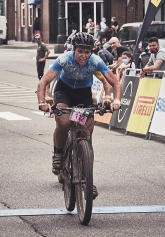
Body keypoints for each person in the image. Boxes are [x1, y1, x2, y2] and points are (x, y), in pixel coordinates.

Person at [37, 32, 122, 199]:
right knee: (63, 122)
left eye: (87, 52)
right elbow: (43, 82)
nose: (83, 55)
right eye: (80, 51)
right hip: (64, 92)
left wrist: (115, 99)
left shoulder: (95, 61)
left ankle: (87, 179)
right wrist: (42, 102)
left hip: (83, 95)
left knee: (86, 134)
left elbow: (115, 82)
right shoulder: (64, 59)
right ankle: (58, 154)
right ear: (74, 50)